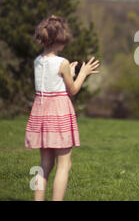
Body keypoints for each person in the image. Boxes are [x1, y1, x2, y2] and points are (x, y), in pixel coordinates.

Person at [25, 15, 100, 201]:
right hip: (58, 114)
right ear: (60, 39)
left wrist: (70, 72)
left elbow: (54, 81)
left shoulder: (37, 61)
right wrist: (82, 73)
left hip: (41, 113)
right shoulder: (62, 63)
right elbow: (72, 89)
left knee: (45, 164)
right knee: (64, 164)